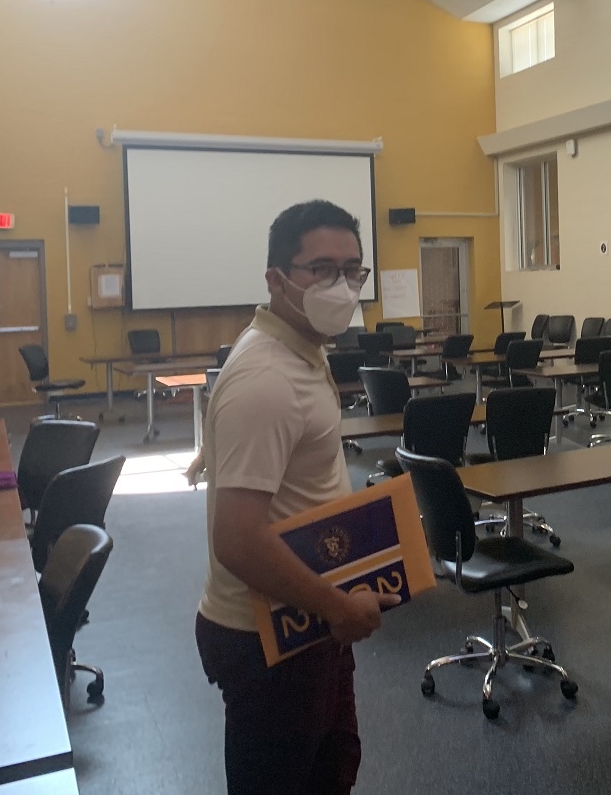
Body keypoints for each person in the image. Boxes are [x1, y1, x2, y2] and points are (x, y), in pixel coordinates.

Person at [193, 200, 400, 795]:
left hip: (302, 620)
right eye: (322, 269)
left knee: (326, 772)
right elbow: (236, 539)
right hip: (269, 637)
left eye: (353, 269)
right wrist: (337, 607)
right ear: (277, 279)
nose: (341, 285)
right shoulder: (268, 378)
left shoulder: (302, 353)